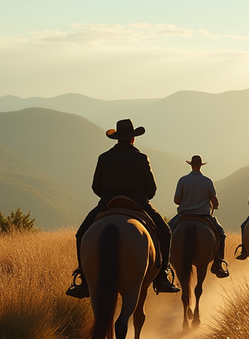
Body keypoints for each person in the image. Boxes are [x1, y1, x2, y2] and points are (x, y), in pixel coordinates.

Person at [66, 119, 180, 298]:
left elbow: (96, 187)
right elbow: (151, 190)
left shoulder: (104, 158)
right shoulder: (142, 158)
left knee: (81, 234)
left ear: (117, 139)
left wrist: (108, 197)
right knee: (166, 232)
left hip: (107, 203)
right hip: (139, 203)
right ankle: (162, 276)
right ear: (133, 139)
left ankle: (84, 279)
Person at [169, 155, 229, 278]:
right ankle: (218, 263)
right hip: (204, 215)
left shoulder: (183, 180)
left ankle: (164, 264)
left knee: (166, 232)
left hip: (184, 215)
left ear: (191, 165)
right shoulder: (207, 181)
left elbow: (176, 200)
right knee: (221, 234)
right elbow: (215, 201)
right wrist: (214, 205)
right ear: (201, 165)